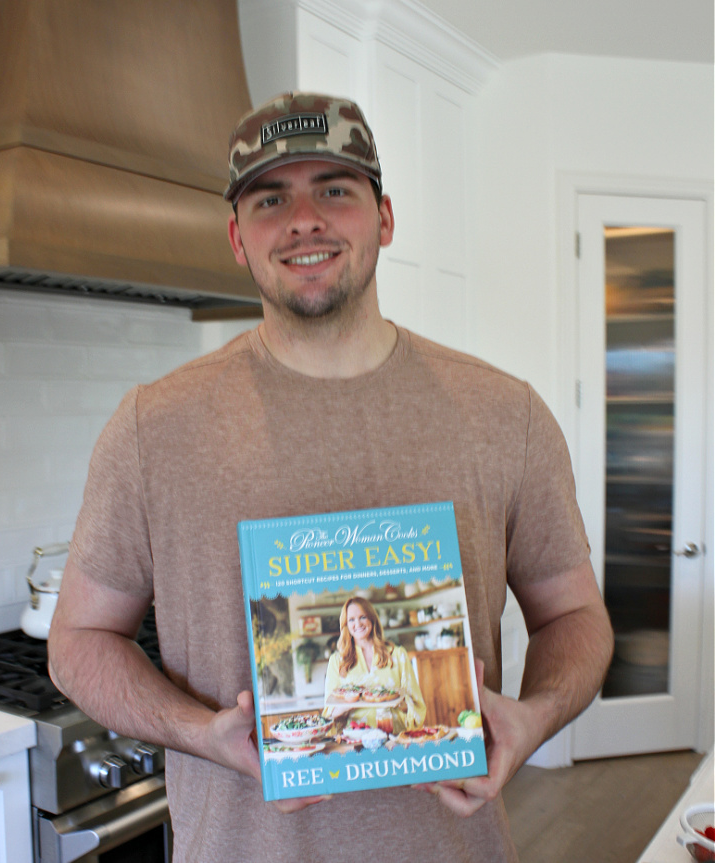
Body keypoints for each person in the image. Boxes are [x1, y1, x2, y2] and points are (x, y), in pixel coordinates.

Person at [48, 91, 614, 862]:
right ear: (237, 238)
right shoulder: (154, 426)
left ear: (384, 218)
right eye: (270, 197)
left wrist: (534, 716)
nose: (303, 219)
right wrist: (201, 733)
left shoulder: (504, 413)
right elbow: (77, 639)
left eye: (335, 191)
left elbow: (574, 614)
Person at [323, 596, 427, 733]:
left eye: (363, 617)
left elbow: (416, 704)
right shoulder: (337, 662)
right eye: (351, 620)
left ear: (372, 619)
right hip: (356, 736)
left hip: (394, 734)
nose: (358, 624)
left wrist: (399, 704)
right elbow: (329, 715)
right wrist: (348, 703)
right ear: (346, 625)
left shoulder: (397, 655)